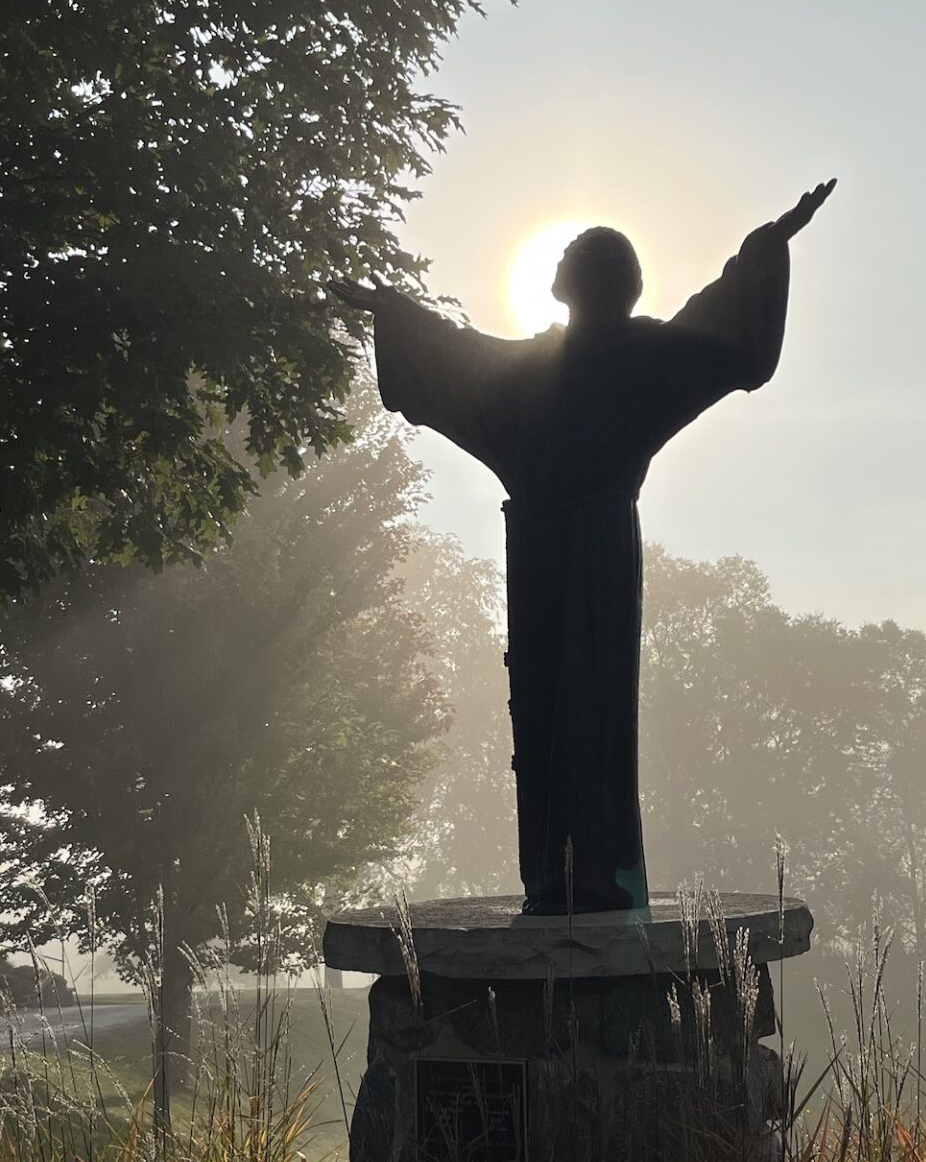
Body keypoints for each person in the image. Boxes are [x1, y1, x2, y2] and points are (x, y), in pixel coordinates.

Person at [334, 182, 835, 912]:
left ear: (597, 283)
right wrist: (398, 312)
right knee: (547, 710)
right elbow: (460, 352)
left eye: (577, 256)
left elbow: (713, 322)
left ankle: (591, 874)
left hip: (583, 549)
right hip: (553, 547)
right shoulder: (551, 365)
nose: (563, 262)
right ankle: (558, 875)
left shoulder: (638, 357)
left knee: (586, 707)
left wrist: (765, 247)